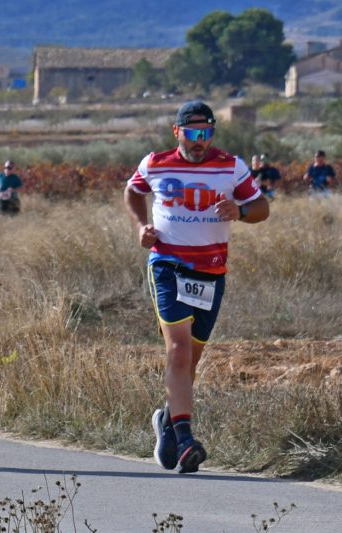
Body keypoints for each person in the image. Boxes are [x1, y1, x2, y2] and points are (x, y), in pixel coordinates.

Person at [124, 100, 268, 474]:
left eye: (206, 133)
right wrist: (142, 227)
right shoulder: (155, 163)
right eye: (192, 133)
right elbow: (133, 191)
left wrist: (241, 211)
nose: (199, 140)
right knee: (179, 349)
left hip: (211, 271)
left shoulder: (231, 166)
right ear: (178, 133)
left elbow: (261, 207)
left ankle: (167, 422)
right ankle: (186, 438)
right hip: (168, 264)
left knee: (191, 361)